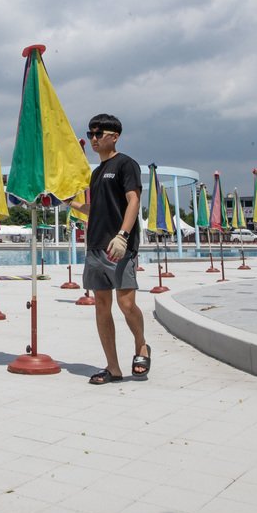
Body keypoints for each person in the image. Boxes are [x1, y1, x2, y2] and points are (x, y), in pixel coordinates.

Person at [74, 113, 150, 384]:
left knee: (126, 304)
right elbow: (95, 208)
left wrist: (122, 235)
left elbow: (133, 201)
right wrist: (66, 202)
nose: (94, 138)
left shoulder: (125, 164)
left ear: (114, 136)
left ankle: (141, 346)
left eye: (99, 133)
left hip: (119, 246)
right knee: (101, 306)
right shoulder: (96, 174)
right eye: (91, 133)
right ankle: (113, 368)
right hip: (95, 246)